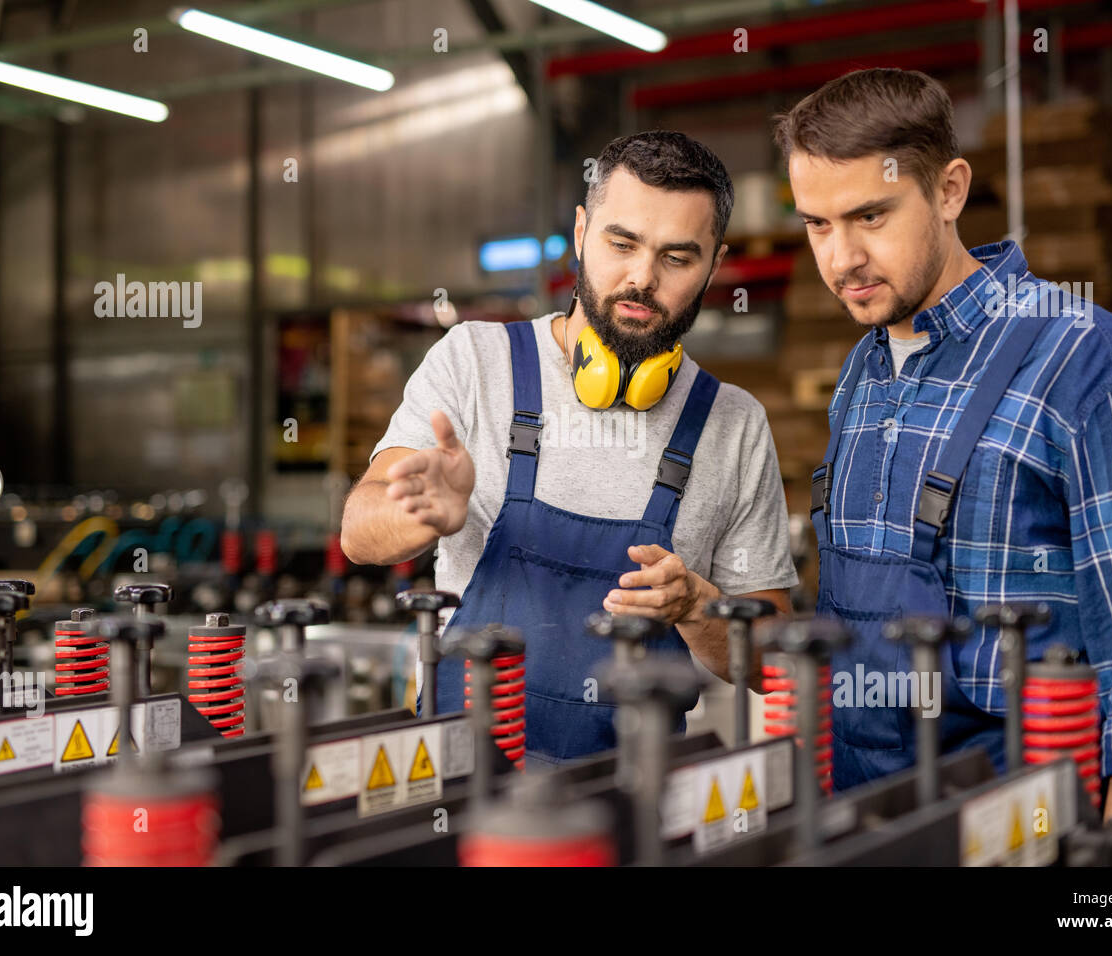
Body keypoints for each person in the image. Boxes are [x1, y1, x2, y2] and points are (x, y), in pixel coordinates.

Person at [774, 68, 1112, 837]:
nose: (841, 258)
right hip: (866, 822)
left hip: (1022, 826)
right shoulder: (863, 371)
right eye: (818, 225)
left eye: (870, 216)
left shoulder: (1084, 358)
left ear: (949, 190)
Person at [341, 131, 797, 766]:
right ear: (581, 231)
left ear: (715, 265)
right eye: (622, 243)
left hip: (633, 806)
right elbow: (359, 535)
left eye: (677, 257)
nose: (642, 277)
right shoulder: (476, 361)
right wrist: (415, 513)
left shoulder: (733, 424)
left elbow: (774, 665)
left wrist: (697, 607)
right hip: (453, 783)